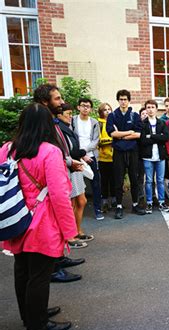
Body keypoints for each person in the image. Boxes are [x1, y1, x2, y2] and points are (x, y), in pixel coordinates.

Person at [0, 103, 77, 330]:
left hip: (16, 216)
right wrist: (69, 230)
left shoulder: (7, 149)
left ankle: (30, 315)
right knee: (40, 275)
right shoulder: (49, 152)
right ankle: (38, 325)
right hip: (41, 220)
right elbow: (59, 194)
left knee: (22, 270)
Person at [32, 85, 83, 283]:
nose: (62, 102)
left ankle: (59, 259)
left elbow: (60, 149)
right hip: (48, 184)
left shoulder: (53, 121)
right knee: (52, 224)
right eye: (57, 99)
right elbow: (48, 153)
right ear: (45, 102)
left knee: (57, 223)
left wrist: (69, 162)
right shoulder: (42, 123)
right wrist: (68, 163)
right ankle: (53, 268)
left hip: (62, 171)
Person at [57, 103, 93, 249]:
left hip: (76, 167)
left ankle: (77, 230)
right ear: (59, 115)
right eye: (68, 114)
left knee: (82, 200)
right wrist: (80, 154)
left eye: (72, 114)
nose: (71, 116)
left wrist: (80, 154)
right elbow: (64, 152)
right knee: (71, 203)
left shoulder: (68, 128)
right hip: (68, 168)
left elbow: (73, 148)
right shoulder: (58, 129)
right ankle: (70, 236)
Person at [106, 89, 145, 219]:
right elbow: (112, 133)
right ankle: (119, 206)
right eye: (121, 99)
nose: (123, 102)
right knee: (118, 179)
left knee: (134, 178)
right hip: (118, 152)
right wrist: (129, 132)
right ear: (118, 100)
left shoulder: (134, 115)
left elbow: (139, 134)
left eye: (125, 99)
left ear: (129, 101)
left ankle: (135, 204)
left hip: (132, 151)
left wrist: (121, 135)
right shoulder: (112, 116)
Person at [72, 98, 103, 220]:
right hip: (76, 157)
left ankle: (97, 209)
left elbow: (96, 140)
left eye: (88, 106)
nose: (85, 108)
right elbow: (71, 139)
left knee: (96, 183)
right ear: (78, 107)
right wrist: (80, 154)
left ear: (91, 109)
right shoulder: (73, 120)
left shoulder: (94, 122)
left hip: (90, 156)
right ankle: (75, 211)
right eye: (83, 105)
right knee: (75, 184)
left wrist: (85, 152)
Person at [139, 100, 169, 213]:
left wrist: (151, 136)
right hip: (148, 156)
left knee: (160, 180)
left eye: (153, 107)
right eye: (148, 107)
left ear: (156, 109)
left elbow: (166, 137)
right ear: (146, 109)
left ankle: (161, 202)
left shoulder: (162, 123)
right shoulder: (143, 124)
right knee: (149, 181)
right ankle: (149, 203)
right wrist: (158, 137)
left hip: (160, 156)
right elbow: (142, 140)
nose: (150, 109)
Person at [97, 103, 116, 212]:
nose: (107, 111)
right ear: (101, 111)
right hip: (102, 157)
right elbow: (98, 141)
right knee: (104, 180)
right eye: (105, 110)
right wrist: (110, 141)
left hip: (114, 157)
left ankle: (114, 199)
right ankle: (104, 201)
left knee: (114, 180)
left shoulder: (113, 122)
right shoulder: (99, 123)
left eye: (109, 109)